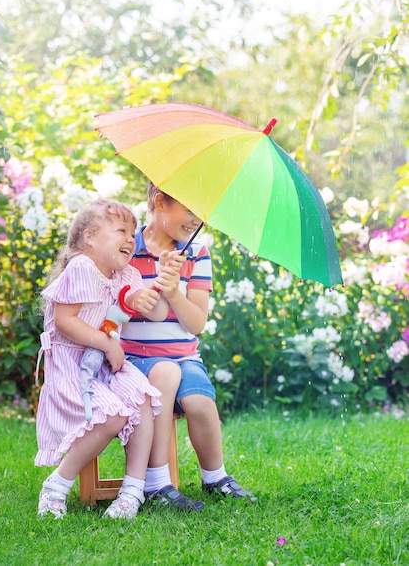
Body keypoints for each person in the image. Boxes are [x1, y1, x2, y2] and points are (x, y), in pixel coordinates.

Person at [120, 182, 257, 512]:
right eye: (190, 209)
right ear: (160, 202)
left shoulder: (198, 253)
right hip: (135, 359)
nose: (198, 219)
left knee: (199, 402)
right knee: (161, 387)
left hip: (184, 356)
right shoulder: (127, 249)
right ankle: (157, 482)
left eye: (203, 212)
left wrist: (174, 293)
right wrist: (151, 289)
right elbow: (113, 306)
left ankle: (215, 478)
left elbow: (196, 323)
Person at [35, 198, 170, 520]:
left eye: (133, 233)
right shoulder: (82, 266)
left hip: (107, 368)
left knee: (141, 399)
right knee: (112, 416)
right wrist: (108, 345)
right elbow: (66, 322)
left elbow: (159, 314)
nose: (130, 238)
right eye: (122, 230)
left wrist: (152, 294)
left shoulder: (127, 275)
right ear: (90, 238)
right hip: (72, 367)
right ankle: (56, 485)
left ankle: (132, 490)